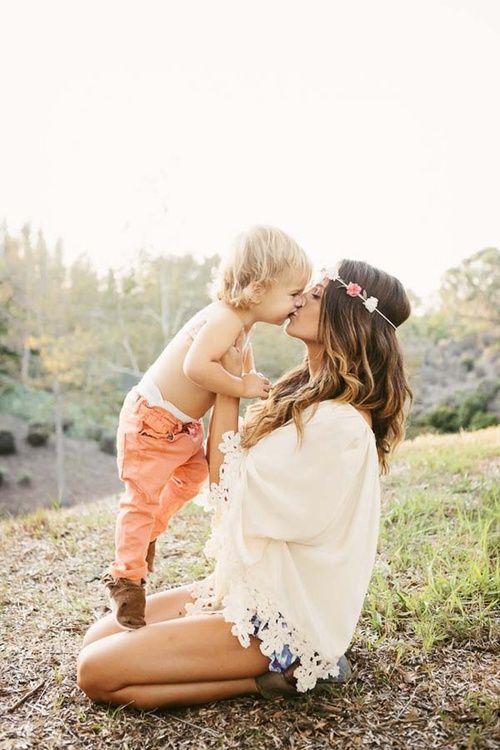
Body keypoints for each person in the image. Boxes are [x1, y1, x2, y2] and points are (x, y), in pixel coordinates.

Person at [77, 259, 412, 707]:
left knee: (96, 673)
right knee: (97, 638)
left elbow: (226, 489)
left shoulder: (340, 425)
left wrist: (226, 385)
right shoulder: (307, 392)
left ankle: (275, 677)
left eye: (314, 295)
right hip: (247, 588)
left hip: (283, 617)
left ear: (344, 317)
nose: (298, 300)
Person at [102, 226, 312, 630]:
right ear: (258, 289)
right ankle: (125, 577)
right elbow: (195, 367)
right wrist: (241, 386)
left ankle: (147, 533)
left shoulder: (242, 328)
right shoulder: (224, 318)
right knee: (141, 497)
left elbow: (239, 374)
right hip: (151, 422)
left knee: (190, 480)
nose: (298, 302)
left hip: (181, 426)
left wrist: (257, 390)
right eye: (293, 293)